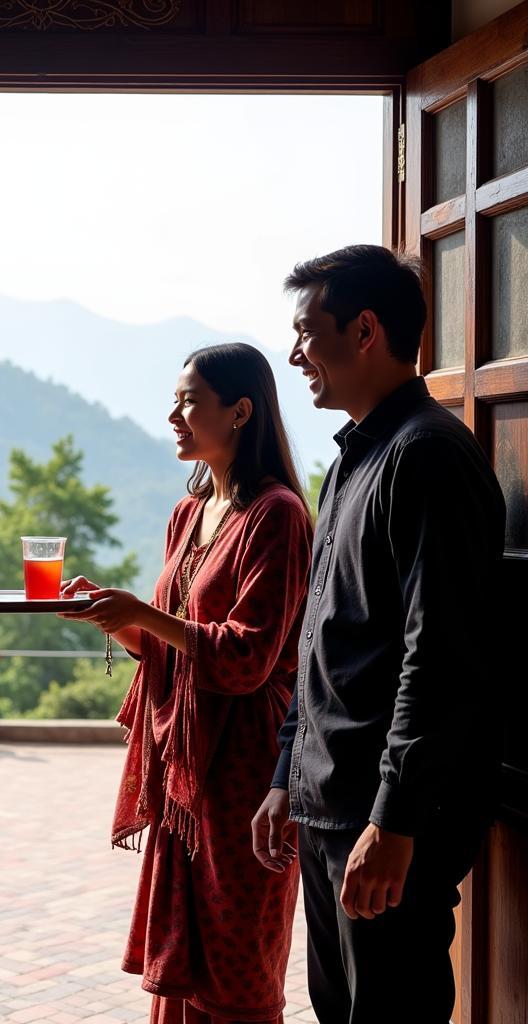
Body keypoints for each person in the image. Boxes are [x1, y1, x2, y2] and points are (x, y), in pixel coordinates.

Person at [251, 245, 506, 1024]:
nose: (295, 355)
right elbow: (322, 641)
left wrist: (393, 822)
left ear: (364, 330)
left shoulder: (427, 455)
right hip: (330, 802)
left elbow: (441, 657)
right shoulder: (356, 458)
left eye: (306, 332)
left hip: (386, 815)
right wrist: (285, 774)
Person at [61, 342, 313, 1024]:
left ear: (239, 412)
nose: (173, 415)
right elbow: (171, 649)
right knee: (186, 961)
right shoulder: (188, 510)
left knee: (239, 963)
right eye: (174, 400)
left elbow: (249, 658)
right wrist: (114, 620)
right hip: (186, 773)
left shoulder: (277, 515)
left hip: (243, 769)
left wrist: (145, 614)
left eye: (188, 401)